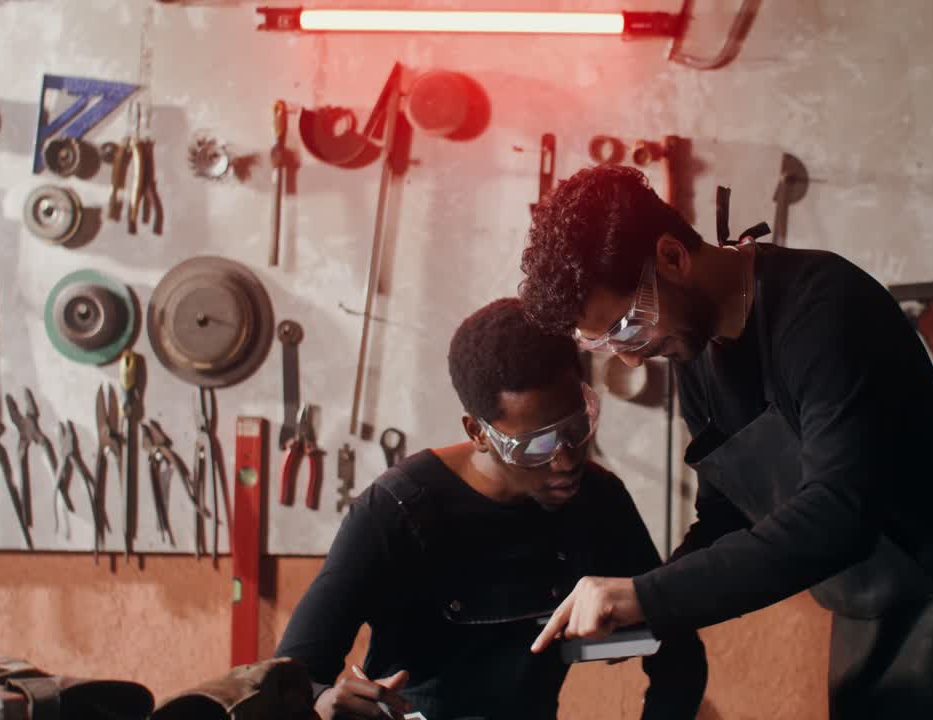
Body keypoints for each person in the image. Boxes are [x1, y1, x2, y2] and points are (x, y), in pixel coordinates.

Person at [520, 165, 933, 719]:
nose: (629, 356)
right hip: (865, 612)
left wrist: (650, 597)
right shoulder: (696, 354)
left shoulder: (824, 311)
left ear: (672, 257)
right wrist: (642, 602)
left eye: (628, 327)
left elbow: (841, 513)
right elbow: (728, 515)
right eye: (606, 344)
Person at [275, 297, 707, 720]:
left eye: (577, 427)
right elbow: (295, 676)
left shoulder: (598, 501)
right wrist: (323, 701)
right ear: (478, 433)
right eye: (537, 445)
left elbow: (677, 652)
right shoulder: (396, 510)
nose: (566, 460)